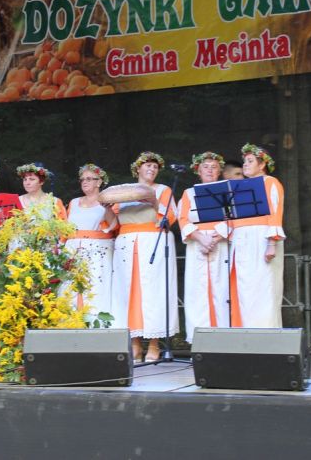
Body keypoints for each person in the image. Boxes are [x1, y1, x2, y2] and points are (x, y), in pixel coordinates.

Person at [111, 151, 179, 362]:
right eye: (147, 165)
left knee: (153, 291)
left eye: (155, 167)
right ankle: (134, 343)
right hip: (127, 242)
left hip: (153, 239)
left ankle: (154, 343)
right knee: (129, 291)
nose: (152, 169)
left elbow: (170, 217)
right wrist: (106, 208)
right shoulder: (124, 191)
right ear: (138, 168)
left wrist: (153, 201)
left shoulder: (163, 190)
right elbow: (113, 222)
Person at [228, 143, 286, 328]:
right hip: (242, 240)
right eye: (244, 161)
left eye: (250, 161)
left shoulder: (270, 182)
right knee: (245, 290)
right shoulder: (238, 186)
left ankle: (265, 333)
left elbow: (275, 212)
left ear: (262, 164)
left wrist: (271, 243)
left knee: (264, 288)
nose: (245, 164)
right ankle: (246, 333)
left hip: (262, 238)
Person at [179, 152, 230, 342]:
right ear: (198, 171)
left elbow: (233, 217)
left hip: (220, 243)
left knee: (222, 290)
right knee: (197, 292)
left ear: (219, 171)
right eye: (205, 167)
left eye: (214, 167)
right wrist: (201, 238)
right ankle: (198, 340)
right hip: (196, 244)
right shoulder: (188, 193)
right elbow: (183, 219)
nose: (209, 170)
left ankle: (223, 339)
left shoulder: (227, 191)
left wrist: (214, 239)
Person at [65, 163, 118, 314]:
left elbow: (115, 226)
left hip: (97, 251)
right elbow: (65, 228)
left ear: (99, 182)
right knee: (71, 288)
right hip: (73, 250)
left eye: (89, 179)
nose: (84, 182)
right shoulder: (74, 202)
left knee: (95, 288)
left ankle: (96, 322)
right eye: (82, 179)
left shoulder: (109, 201)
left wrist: (107, 208)